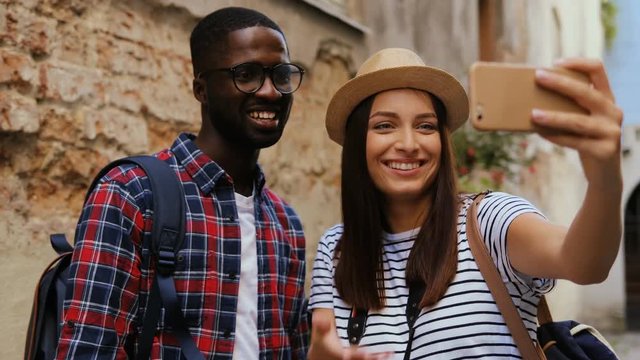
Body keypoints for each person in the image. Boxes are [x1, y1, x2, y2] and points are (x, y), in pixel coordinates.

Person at [308, 48, 623, 359]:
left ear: (443, 141)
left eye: (425, 126)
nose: (407, 144)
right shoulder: (335, 249)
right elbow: (325, 349)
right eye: (384, 125)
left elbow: (583, 263)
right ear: (357, 143)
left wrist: (604, 179)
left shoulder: (489, 222)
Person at [56, 7, 308, 359]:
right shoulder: (132, 193)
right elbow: (90, 349)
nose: (271, 92)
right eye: (246, 74)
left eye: (281, 75)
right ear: (201, 89)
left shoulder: (286, 224)